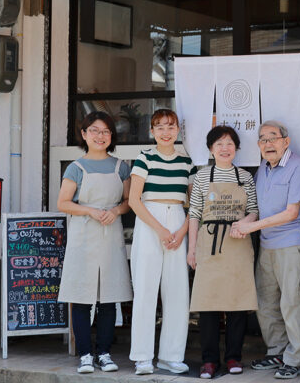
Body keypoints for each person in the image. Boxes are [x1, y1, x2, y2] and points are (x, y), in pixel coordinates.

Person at [231, 120, 300, 379]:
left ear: (286, 142)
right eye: (263, 139)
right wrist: (244, 223)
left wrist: (251, 228)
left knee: (292, 303)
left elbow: (291, 213)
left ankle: (295, 358)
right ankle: (277, 351)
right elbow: (256, 209)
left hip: (290, 243)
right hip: (266, 245)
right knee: (266, 304)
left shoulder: (297, 166)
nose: (268, 144)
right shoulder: (263, 169)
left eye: (273, 138)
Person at [57, 111, 133, 374]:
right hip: (83, 235)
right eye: (95, 130)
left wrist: (115, 211)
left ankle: (104, 352)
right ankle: (86, 354)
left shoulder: (121, 166)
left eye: (105, 131)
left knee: (109, 297)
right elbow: (63, 203)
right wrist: (90, 211)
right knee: (81, 297)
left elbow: (128, 202)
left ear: (111, 136)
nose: (100, 136)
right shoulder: (75, 168)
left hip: (110, 234)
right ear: (84, 134)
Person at [187, 125, 259, 379]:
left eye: (229, 143)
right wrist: (192, 249)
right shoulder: (202, 177)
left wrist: (245, 223)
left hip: (238, 243)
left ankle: (233, 357)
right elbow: (194, 214)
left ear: (236, 148)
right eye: (219, 144)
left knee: (236, 304)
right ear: (210, 149)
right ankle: (208, 360)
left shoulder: (245, 177)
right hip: (209, 243)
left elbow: (254, 209)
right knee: (208, 304)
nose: (225, 148)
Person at [128, 109, 196, 375]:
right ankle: (143, 356)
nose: (166, 132)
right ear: (152, 132)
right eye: (160, 127)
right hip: (149, 220)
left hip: (178, 217)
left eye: (171, 127)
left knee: (177, 291)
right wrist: (159, 229)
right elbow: (134, 200)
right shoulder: (145, 158)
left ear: (178, 130)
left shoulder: (186, 162)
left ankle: (171, 356)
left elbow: (195, 202)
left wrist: (180, 232)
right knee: (145, 290)